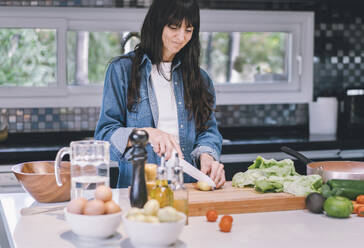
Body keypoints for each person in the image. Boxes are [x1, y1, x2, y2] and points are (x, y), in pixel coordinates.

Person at [95, 0, 225, 188]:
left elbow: (208, 132)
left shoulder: (200, 79)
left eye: (188, 30)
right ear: (157, 24)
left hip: (186, 189)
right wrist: (146, 134)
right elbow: (104, 138)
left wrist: (207, 156)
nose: (181, 37)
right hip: (137, 191)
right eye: (174, 27)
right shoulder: (121, 71)